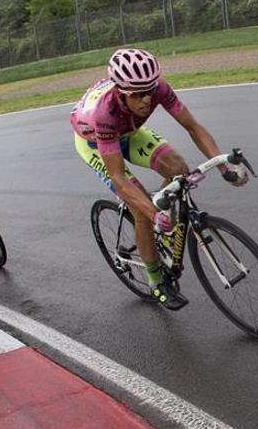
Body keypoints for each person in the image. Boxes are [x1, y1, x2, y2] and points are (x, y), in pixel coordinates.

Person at [70, 48, 247, 310]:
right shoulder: (104, 114)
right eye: (137, 94)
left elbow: (193, 127)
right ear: (121, 92)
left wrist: (223, 166)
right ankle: (156, 280)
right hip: (95, 142)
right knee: (140, 209)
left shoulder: (157, 88)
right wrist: (152, 214)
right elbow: (118, 177)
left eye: (149, 91)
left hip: (129, 132)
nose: (145, 100)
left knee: (179, 168)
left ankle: (156, 212)